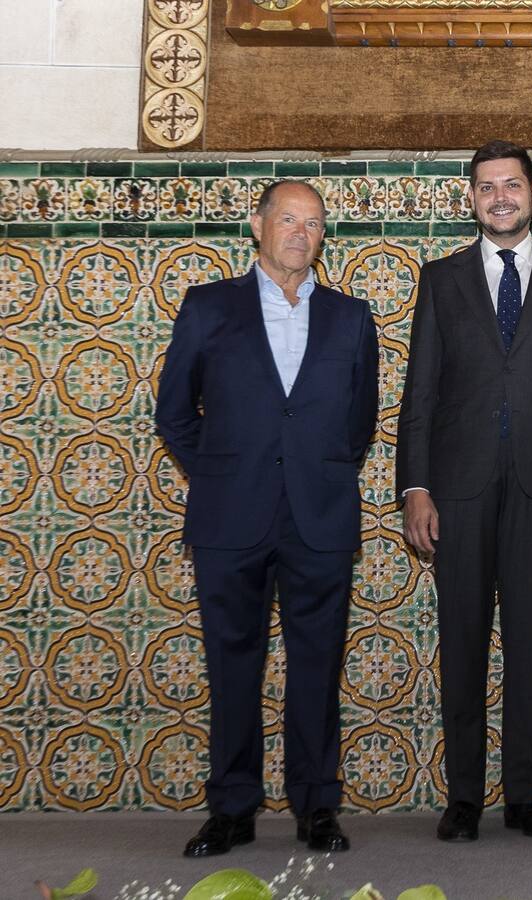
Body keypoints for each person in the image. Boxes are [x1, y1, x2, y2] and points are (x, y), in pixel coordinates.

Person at [156, 180, 379, 857]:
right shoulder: (206, 307)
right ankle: (232, 807)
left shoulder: (351, 316)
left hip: (320, 516)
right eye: (288, 219)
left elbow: (358, 421)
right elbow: (173, 413)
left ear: (321, 237)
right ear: (258, 226)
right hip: (230, 517)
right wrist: (221, 471)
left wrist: (320, 469)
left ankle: (316, 807)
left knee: (317, 665)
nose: (299, 234)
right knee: (232, 664)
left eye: (312, 224)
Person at [396, 140, 532, 842]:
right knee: (460, 642)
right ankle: (463, 798)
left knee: (528, 642)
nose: (500, 198)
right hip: (456, 488)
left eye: (511, 185)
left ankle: (522, 795)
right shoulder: (441, 278)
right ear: (472, 199)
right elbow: (419, 392)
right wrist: (414, 487)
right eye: (486, 187)